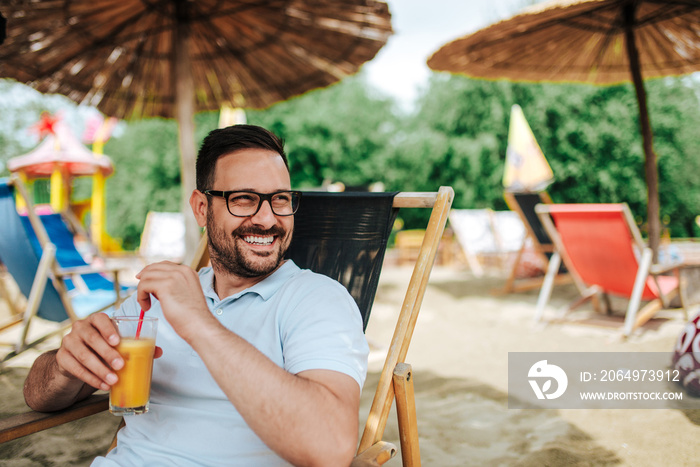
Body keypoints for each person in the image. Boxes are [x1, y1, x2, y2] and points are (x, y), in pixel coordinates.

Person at [23, 125, 370, 466]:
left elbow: (331, 448)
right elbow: (36, 395)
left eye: (280, 199)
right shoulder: (158, 298)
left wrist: (199, 324)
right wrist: (64, 365)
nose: (267, 219)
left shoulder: (317, 300)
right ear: (202, 208)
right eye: (244, 199)